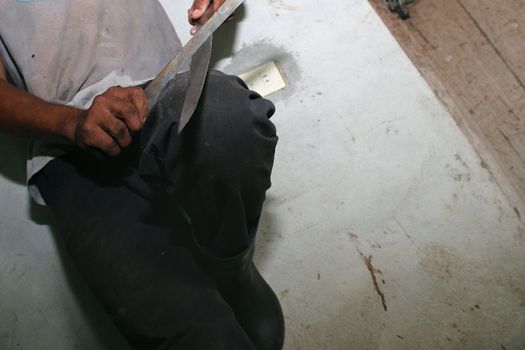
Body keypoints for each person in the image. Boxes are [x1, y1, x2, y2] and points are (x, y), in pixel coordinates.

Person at [0, 0, 284, 349]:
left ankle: (232, 269)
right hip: (69, 147)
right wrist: (71, 124)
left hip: (165, 90)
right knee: (184, 334)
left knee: (225, 123)